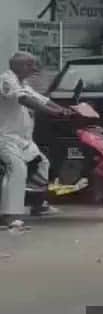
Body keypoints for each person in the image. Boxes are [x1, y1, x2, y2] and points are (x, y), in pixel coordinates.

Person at [0, 53, 71, 229]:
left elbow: (43, 100)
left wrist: (65, 110)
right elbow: (25, 100)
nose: (34, 68)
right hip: (5, 137)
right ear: (18, 66)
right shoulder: (6, 81)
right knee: (17, 169)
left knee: (41, 164)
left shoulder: (23, 83)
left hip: (22, 139)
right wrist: (54, 113)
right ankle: (8, 216)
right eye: (30, 65)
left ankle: (38, 205)